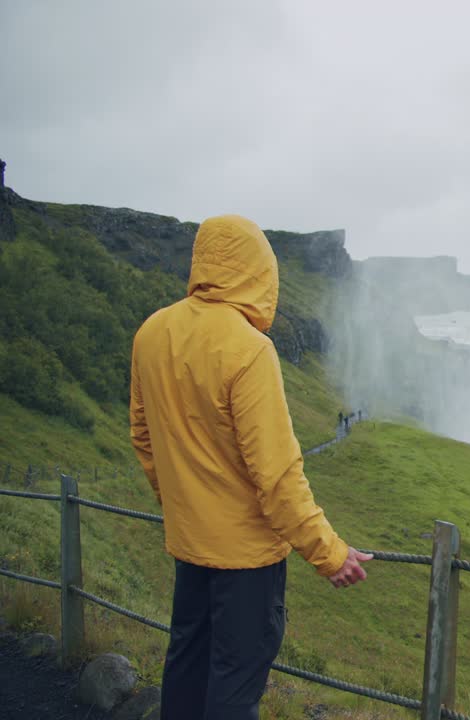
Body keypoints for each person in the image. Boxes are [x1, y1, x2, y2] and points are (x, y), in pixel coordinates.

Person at [130, 214, 372, 719]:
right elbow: (278, 474)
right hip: (247, 562)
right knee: (235, 685)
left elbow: (144, 438)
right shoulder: (248, 348)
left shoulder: (152, 332)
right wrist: (330, 553)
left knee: (187, 665)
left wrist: (181, 504)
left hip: (190, 546)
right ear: (260, 272)